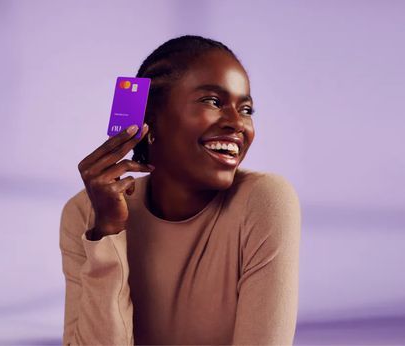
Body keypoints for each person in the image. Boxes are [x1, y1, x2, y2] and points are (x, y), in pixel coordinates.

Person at [59, 35, 301, 345]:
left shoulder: (265, 200)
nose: (237, 124)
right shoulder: (84, 213)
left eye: (246, 110)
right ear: (150, 120)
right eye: (213, 101)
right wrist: (107, 232)